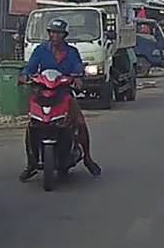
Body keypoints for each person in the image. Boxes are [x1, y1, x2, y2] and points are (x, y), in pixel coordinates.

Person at [18, 18, 102, 179]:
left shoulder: (72, 52)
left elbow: (78, 67)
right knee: (32, 125)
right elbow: (30, 68)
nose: (54, 36)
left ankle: (87, 158)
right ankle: (31, 163)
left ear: (64, 35)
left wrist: (78, 78)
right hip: (43, 94)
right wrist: (24, 76)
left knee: (80, 122)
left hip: (63, 93)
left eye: (58, 33)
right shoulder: (41, 50)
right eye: (52, 32)